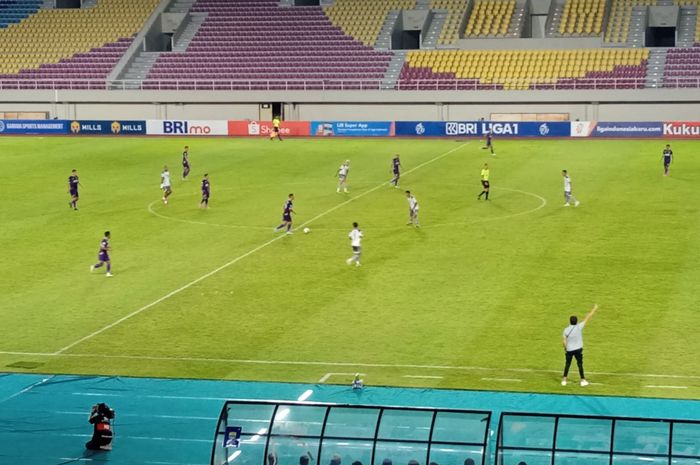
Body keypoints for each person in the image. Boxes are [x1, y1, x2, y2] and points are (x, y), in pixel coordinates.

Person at [562, 304, 598, 387]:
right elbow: (588, 317)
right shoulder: (579, 327)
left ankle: (564, 380)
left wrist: (565, 348)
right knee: (580, 364)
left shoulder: (566, 330)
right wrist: (594, 309)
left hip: (569, 350)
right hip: (578, 349)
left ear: (570, 321)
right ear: (576, 321)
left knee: (567, 364)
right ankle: (582, 380)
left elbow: (564, 341)